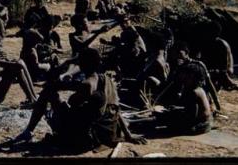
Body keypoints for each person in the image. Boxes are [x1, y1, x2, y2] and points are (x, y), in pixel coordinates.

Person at [13, 47, 146, 150]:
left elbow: (73, 103)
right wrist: (128, 135)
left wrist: (65, 87)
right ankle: (30, 130)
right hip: (105, 131)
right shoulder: (106, 80)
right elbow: (116, 109)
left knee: (48, 91)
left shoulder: (86, 84)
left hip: (83, 134)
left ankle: (29, 130)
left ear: (82, 64)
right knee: (53, 92)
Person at [152, 62, 213, 135]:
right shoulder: (198, 89)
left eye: (186, 76)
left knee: (167, 121)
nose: (182, 77)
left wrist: (173, 114)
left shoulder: (194, 92)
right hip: (204, 122)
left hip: (200, 125)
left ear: (193, 77)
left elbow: (191, 116)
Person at [160, 41, 221, 113]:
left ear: (186, 53)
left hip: (197, 97)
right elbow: (172, 84)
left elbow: (209, 84)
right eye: (175, 54)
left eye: (180, 54)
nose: (178, 56)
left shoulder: (198, 65)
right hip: (184, 97)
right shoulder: (176, 67)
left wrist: (217, 102)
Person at [199, 22, 238, 91]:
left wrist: (228, 69)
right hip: (211, 67)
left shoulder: (222, 44)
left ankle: (228, 82)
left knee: (219, 73)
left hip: (222, 69)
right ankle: (228, 83)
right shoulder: (206, 42)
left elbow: (226, 59)